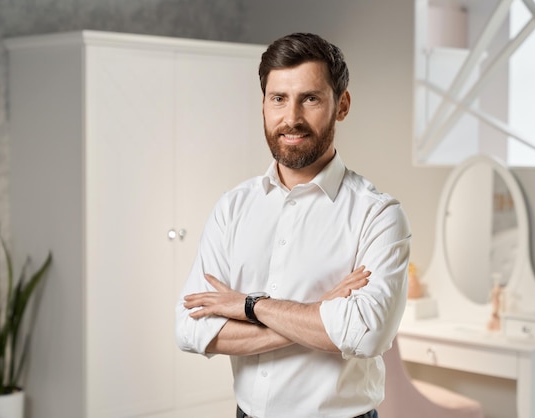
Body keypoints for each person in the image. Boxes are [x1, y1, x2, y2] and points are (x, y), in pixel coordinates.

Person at [175, 32, 411, 418]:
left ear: (342, 105)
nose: (291, 118)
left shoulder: (378, 215)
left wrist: (247, 306)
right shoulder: (233, 208)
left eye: (311, 98)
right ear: (264, 105)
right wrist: (320, 312)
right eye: (278, 99)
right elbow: (190, 329)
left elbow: (365, 335)